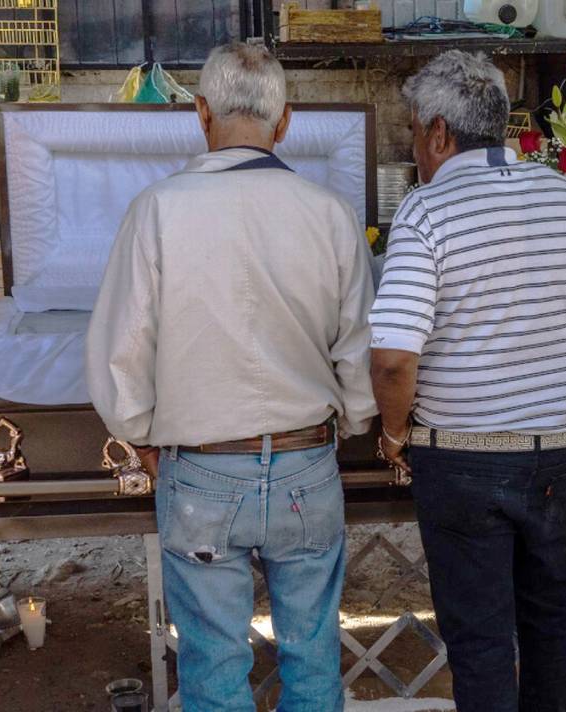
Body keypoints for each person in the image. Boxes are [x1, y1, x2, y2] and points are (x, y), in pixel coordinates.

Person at [86, 42, 376, 711]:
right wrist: (355, 422)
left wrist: (141, 436)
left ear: (201, 113)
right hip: (307, 463)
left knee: (214, 670)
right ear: (284, 123)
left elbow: (119, 350)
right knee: (313, 655)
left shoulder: (157, 210)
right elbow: (361, 347)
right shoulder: (328, 213)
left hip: (202, 470)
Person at [368, 50, 566, 712]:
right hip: (554, 454)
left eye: (417, 135)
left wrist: (395, 434)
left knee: (481, 639)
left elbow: (394, 359)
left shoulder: (427, 212)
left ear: (441, 133)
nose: (418, 151)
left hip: (461, 460)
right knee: (550, 615)